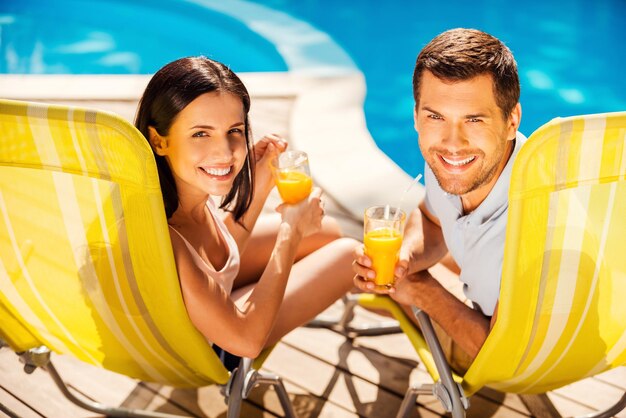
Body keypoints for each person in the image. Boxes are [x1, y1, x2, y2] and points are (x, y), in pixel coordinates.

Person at [135, 56, 357, 369]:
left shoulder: (178, 195)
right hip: (218, 347)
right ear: (159, 140)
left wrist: (259, 186)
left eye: (234, 131)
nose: (225, 152)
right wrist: (289, 233)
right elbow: (247, 341)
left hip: (206, 312)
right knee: (349, 253)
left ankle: (389, 287)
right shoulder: (168, 240)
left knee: (327, 231)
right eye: (201, 133)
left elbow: (217, 260)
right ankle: (407, 301)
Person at [353, 28, 525, 373]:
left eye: (474, 120)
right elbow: (432, 220)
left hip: (513, 359)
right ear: (416, 117)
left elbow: (504, 356)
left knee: (365, 285)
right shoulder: (451, 164)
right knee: (364, 277)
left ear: (511, 121)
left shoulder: (534, 218)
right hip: (488, 308)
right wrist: (405, 258)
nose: (452, 142)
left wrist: (418, 287)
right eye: (436, 117)